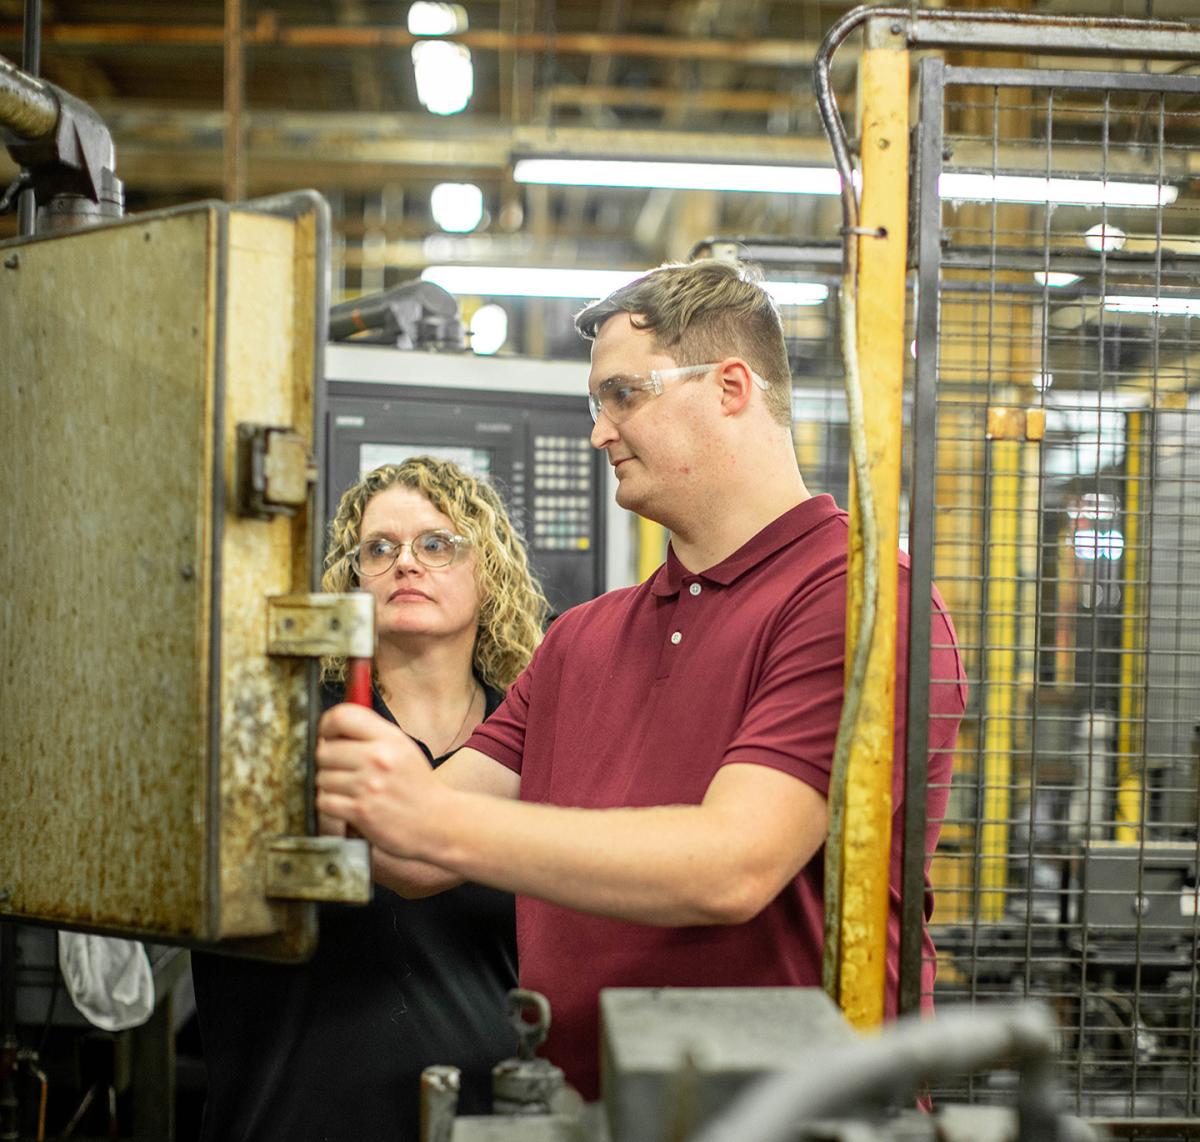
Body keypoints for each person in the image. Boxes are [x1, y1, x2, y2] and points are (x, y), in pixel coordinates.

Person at [315, 260, 968, 1101]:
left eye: (625, 395)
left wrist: (428, 813)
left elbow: (730, 867)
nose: (600, 432)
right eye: (599, 404)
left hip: (792, 1118)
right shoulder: (581, 640)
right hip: (580, 1112)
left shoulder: (860, 601)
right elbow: (413, 852)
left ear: (731, 386)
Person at [192, 456, 550, 1142]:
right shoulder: (286, 728)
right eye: (378, 549)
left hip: (487, 1120)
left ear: (489, 573)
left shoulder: (537, 743)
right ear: (351, 581)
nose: (405, 564)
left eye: (436, 544)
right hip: (292, 1119)